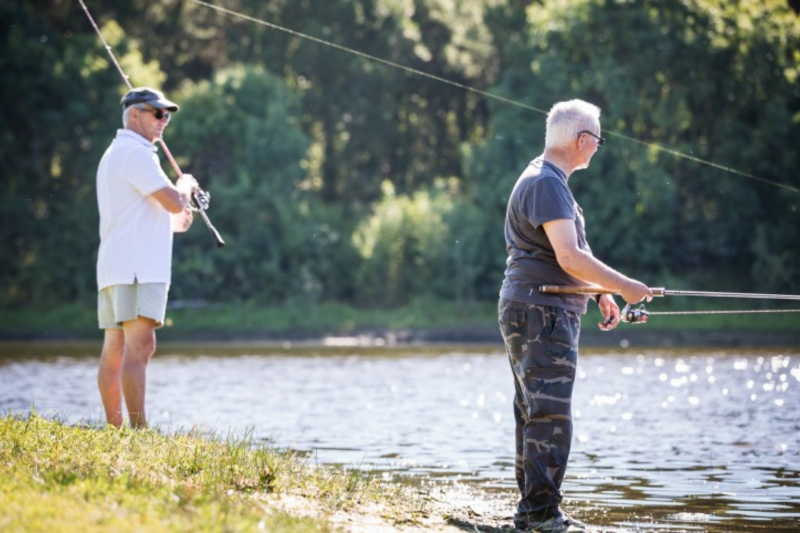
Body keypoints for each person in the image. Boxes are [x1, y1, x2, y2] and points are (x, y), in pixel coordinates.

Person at [498, 99, 652, 532]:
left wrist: (601, 291)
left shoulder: (548, 179)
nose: (598, 147)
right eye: (598, 139)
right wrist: (624, 286)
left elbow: (568, 256)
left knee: (534, 412)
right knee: (549, 415)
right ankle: (540, 516)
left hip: (535, 308)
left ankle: (534, 509)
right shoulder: (546, 182)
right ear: (582, 140)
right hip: (539, 312)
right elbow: (568, 256)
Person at [96, 87, 198, 428]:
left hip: (116, 267)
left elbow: (136, 215)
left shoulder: (115, 153)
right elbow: (174, 199)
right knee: (141, 347)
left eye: (166, 115)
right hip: (138, 270)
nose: (164, 120)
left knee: (115, 350)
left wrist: (172, 224)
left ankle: (116, 432)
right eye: (157, 114)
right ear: (134, 114)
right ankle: (138, 435)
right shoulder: (137, 153)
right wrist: (185, 186)